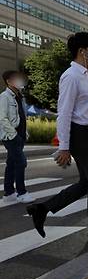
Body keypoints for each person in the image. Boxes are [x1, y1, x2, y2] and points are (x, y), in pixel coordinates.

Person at [27, 32, 88, 242]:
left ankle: (43, 208)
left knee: (86, 182)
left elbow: (81, 107)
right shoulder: (71, 76)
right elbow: (64, 112)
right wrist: (64, 146)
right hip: (80, 134)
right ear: (82, 52)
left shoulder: (85, 75)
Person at [0, 70, 34, 203]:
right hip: (11, 136)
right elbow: (2, 118)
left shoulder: (20, 96)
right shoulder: (4, 97)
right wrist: (14, 135)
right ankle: (22, 192)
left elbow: (22, 116)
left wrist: (24, 133)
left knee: (11, 163)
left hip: (19, 135)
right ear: (9, 81)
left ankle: (8, 193)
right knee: (21, 162)